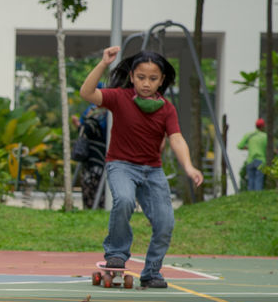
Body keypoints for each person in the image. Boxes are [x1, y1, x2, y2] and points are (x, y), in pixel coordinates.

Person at [79, 46, 204, 289]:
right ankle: (116, 253)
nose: (146, 83)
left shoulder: (166, 108)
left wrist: (189, 167)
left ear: (162, 80)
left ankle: (152, 272)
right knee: (124, 200)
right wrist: (103, 63)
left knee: (165, 222)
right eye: (141, 77)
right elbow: (87, 93)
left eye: (153, 78)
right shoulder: (120, 97)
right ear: (132, 76)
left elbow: (176, 138)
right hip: (121, 166)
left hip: (152, 171)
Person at [237, 118, 268, 192]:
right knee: (259, 180)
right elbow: (268, 147)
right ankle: (257, 197)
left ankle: (250, 196)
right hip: (261, 160)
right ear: (263, 126)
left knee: (251, 180)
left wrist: (248, 147)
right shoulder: (265, 136)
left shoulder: (249, 135)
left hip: (250, 160)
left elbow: (239, 146)